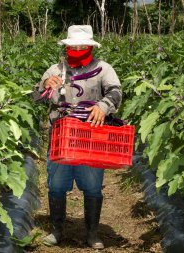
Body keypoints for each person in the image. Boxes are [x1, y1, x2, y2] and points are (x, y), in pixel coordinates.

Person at [32, 25, 122, 249]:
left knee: (92, 186)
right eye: (74, 46)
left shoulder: (102, 69)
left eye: (83, 46)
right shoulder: (55, 70)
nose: (78, 49)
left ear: (90, 47)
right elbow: (36, 97)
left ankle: (92, 233)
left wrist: (103, 106)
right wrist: (45, 85)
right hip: (61, 137)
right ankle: (57, 230)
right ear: (67, 47)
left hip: (91, 138)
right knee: (57, 186)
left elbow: (116, 91)